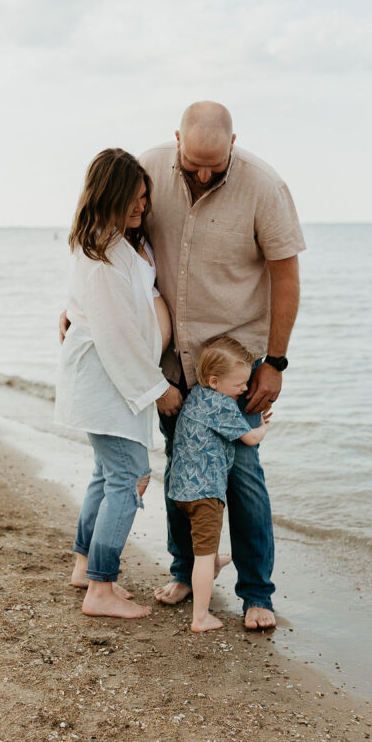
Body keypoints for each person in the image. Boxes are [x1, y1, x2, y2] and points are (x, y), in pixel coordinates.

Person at [60, 102, 305, 630]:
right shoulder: (148, 171)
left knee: (242, 475)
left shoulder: (265, 188)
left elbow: (286, 278)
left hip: (231, 362)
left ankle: (256, 593)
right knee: (183, 470)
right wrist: (77, 308)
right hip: (172, 363)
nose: (201, 173)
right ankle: (183, 569)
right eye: (193, 162)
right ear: (176, 140)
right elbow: (109, 242)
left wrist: (276, 362)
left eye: (215, 165)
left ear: (234, 143)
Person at [55, 148, 182, 620]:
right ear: (107, 197)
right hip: (108, 379)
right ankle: (101, 588)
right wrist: (158, 388)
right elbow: (115, 334)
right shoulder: (103, 254)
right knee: (129, 478)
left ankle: (86, 565)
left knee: (106, 475)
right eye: (132, 199)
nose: (141, 207)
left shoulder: (115, 242)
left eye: (145, 198)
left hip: (110, 380)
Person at [168, 337, 270, 632]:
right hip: (206, 495)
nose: (245, 389)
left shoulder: (197, 396)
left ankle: (214, 560)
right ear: (215, 381)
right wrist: (262, 426)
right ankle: (200, 617)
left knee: (203, 542)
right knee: (201, 556)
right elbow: (249, 439)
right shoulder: (223, 406)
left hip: (180, 490)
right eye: (240, 384)